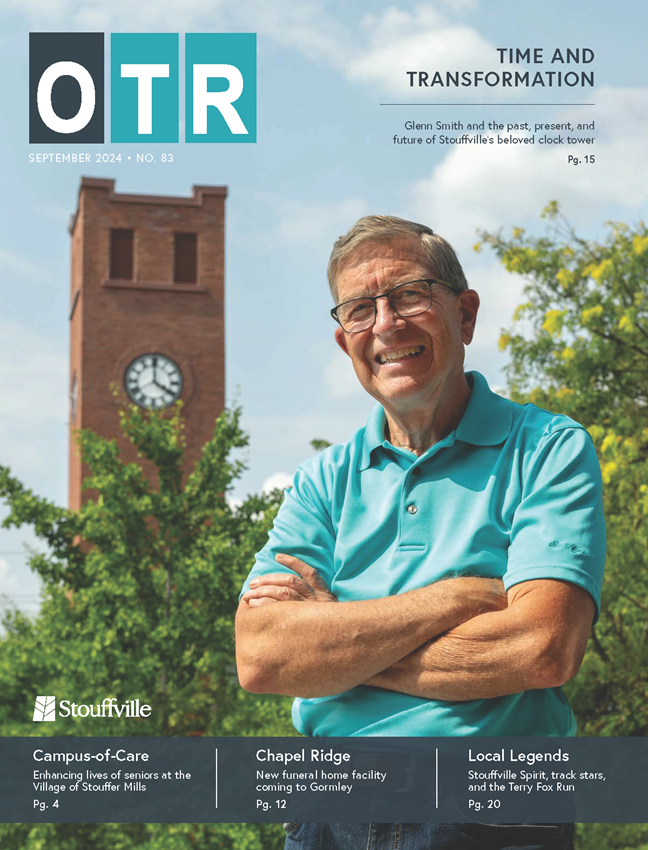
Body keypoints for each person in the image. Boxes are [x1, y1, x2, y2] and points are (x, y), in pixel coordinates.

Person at [235, 216, 605, 850]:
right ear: (344, 340)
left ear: (464, 315)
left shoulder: (548, 448)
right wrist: (454, 599)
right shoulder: (322, 479)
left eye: (410, 294)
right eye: (360, 309)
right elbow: (263, 657)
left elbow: (542, 647)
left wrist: (337, 647)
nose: (385, 323)